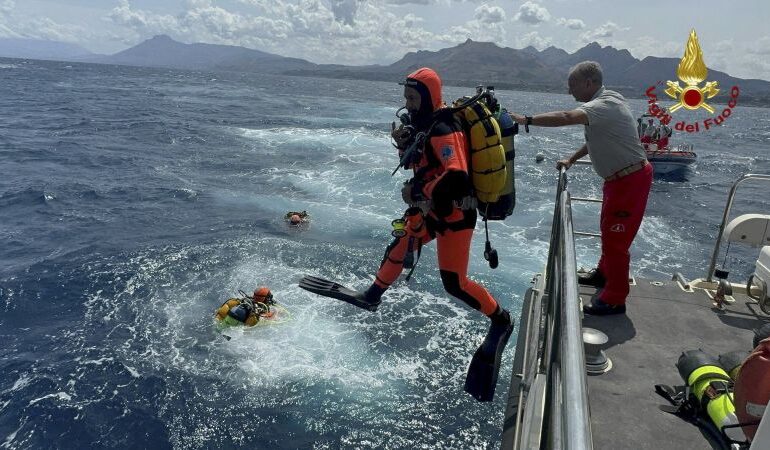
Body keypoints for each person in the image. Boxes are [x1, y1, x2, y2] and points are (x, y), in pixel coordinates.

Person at [299, 67, 513, 401]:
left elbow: (455, 175)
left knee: (454, 283)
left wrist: (418, 189)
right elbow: (422, 161)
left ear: (428, 97)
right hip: (430, 209)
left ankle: (501, 320)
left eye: (413, 98)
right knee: (401, 242)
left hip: (454, 213)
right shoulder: (424, 125)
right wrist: (402, 146)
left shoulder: (443, 126)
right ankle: (372, 296)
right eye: (406, 97)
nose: (407, 104)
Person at [510, 61, 653, 315]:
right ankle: (603, 274)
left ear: (589, 83)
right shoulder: (606, 103)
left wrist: (525, 120)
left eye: (572, 85)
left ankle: (615, 298)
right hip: (619, 180)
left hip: (630, 181)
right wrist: (572, 159)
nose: (569, 91)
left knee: (616, 241)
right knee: (609, 233)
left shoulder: (605, 105)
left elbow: (566, 117)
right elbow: (600, 138)